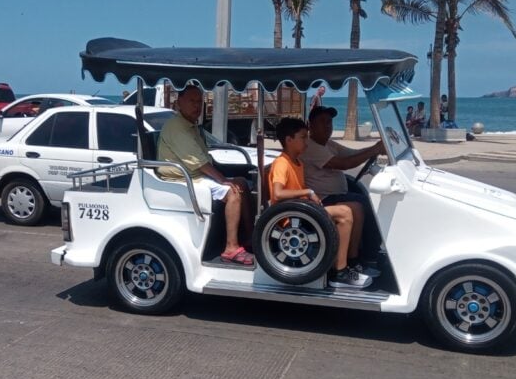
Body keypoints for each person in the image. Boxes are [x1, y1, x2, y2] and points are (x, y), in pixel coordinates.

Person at [268, 117, 372, 289]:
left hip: (301, 210)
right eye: (302, 137)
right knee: (345, 213)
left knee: (351, 208)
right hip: (291, 217)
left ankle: (345, 261)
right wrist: (308, 192)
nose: (306, 142)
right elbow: (278, 193)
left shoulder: (298, 162)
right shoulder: (282, 163)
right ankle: (340, 272)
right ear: (289, 140)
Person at [157, 84, 254, 265]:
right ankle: (231, 248)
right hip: (182, 179)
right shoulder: (177, 127)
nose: (197, 106)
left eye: (199, 102)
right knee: (232, 191)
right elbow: (199, 162)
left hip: (194, 176)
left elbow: (204, 159)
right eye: (192, 101)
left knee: (240, 182)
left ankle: (249, 236)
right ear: (179, 103)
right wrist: (223, 179)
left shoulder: (191, 126)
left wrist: (227, 177)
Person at [301, 105, 383, 277]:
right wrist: (374, 149)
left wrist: (375, 149)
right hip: (323, 199)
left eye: (330, 122)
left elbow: (352, 154)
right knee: (361, 205)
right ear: (310, 125)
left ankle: (363, 256)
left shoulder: (328, 144)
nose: (328, 126)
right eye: (322, 122)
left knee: (364, 199)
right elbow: (344, 164)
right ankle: (363, 257)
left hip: (337, 195)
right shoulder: (311, 146)